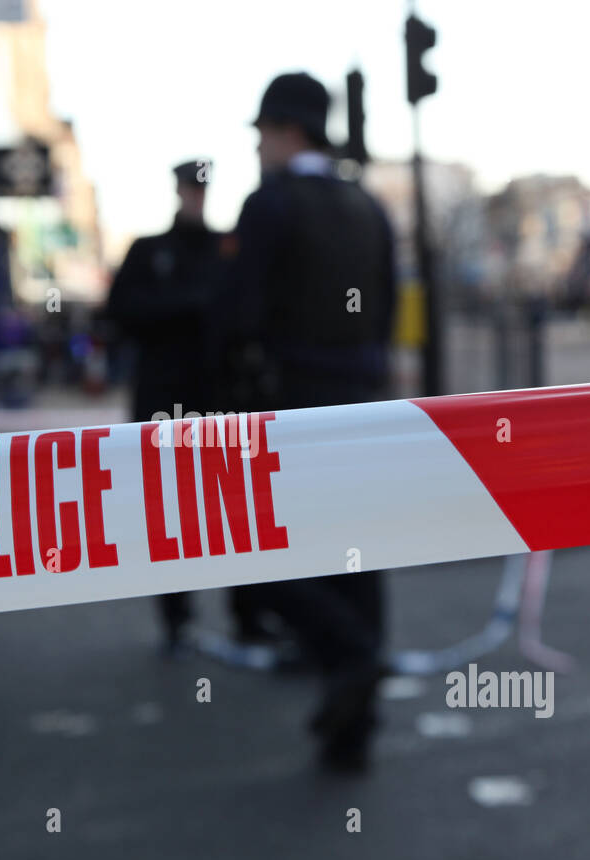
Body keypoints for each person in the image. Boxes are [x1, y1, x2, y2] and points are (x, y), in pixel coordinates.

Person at [213, 72, 397, 772]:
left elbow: (237, 316)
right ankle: (354, 733)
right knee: (358, 563)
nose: (258, 147)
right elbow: (382, 311)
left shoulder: (271, 204)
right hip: (362, 400)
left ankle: (351, 660)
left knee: (265, 558)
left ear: (287, 130)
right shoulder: (368, 207)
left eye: (262, 132)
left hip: (288, 406)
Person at [106, 159, 226, 653]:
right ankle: (177, 619)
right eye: (190, 189)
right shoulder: (150, 250)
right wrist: (190, 306)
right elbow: (121, 312)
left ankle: (249, 614)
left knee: (231, 509)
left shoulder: (226, 248)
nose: (195, 197)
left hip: (218, 401)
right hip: (163, 402)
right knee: (169, 514)